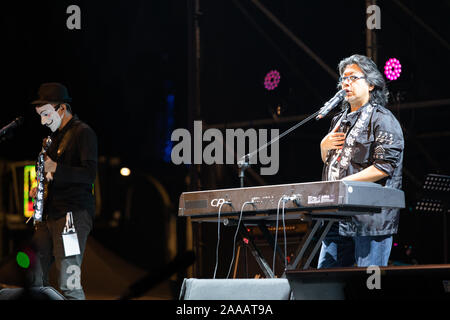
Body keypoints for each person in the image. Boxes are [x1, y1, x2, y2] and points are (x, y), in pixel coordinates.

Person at [317, 54, 404, 268]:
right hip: (336, 218)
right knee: (323, 280)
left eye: (353, 77)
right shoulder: (339, 120)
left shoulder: (383, 119)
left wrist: (345, 185)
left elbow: (384, 167)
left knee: (365, 286)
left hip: (369, 220)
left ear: (371, 84)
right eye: (343, 79)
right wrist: (323, 147)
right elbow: (332, 165)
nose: (346, 82)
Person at [29, 82, 97, 299]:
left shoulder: (83, 133)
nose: (43, 120)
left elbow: (89, 175)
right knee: (33, 275)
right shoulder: (52, 138)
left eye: (46, 113)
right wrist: (40, 188)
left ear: (62, 108)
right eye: (40, 115)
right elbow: (51, 174)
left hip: (72, 215)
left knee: (69, 280)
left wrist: (57, 169)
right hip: (49, 215)